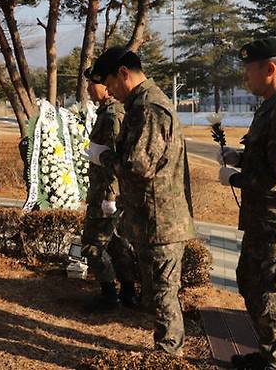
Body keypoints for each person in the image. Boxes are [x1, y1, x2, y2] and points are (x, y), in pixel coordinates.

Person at [85, 46, 193, 355]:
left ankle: (169, 355)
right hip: (153, 218)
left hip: (162, 222)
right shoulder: (141, 105)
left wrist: (103, 156)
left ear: (122, 74)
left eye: (110, 82)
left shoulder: (148, 109)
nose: (110, 90)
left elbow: (137, 167)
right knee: (158, 295)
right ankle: (166, 350)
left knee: (163, 296)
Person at [218, 37, 276, 370]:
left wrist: (235, 178)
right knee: (249, 281)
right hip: (264, 220)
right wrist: (240, 158)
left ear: (270, 69)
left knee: (271, 297)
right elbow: (268, 157)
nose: (246, 77)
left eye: (249, 69)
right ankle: (270, 352)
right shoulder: (271, 106)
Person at [80, 61, 139, 311]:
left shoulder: (113, 114)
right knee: (116, 243)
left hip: (107, 193)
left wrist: (111, 196)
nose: (89, 90)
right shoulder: (106, 111)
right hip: (104, 190)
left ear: (106, 86)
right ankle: (127, 292)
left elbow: (118, 158)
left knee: (91, 244)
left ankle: (109, 295)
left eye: (92, 84)